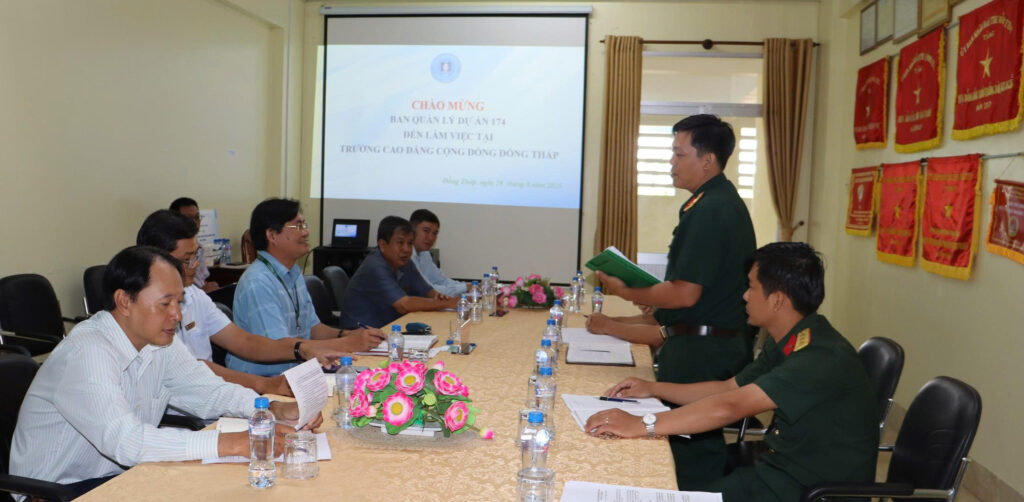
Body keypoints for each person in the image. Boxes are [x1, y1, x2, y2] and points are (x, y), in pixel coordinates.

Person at [8, 246, 320, 497]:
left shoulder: (159, 342)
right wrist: (231, 443)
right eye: (165, 303)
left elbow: (208, 391)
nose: (177, 315)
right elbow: (127, 442)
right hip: (59, 491)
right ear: (124, 301)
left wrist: (270, 410)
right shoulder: (87, 352)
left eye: (179, 302)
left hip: (122, 477)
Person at [585, 242, 879, 502]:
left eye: (752, 287)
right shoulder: (795, 338)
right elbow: (728, 388)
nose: (745, 296)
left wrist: (641, 424)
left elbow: (731, 406)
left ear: (777, 299)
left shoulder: (819, 358)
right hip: (776, 474)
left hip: (807, 491)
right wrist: (653, 388)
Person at [585, 114, 756, 488]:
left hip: (704, 349)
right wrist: (652, 299)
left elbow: (684, 292)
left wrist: (624, 290)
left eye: (679, 154)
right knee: (681, 444)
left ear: (707, 160)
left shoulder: (712, 210)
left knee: (690, 447)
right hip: (699, 341)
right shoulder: (710, 202)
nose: (671, 162)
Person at [137, 210, 356, 396]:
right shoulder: (143, 311)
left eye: (196, 256)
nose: (195, 265)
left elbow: (244, 341)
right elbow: (191, 368)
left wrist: (301, 349)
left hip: (215, 396)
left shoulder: (195, 295)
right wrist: (264, 385)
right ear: (156, 260)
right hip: (187, 411)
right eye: (187, 259)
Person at [228, 198, 384, 376]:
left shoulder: (293, 273)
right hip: (264, 382)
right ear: (272, 235)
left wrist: (347, 335)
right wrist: (348, 344)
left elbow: (313, 329)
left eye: (304, 225)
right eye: (298, 226)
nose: (306, 232)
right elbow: (280, 347)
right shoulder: (258, 282)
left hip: (297, 371)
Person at [340, 216, 458, 329]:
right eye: (400, 242)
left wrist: (442, 298)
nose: (406, 249)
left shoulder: (404, 262)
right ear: (382, 245)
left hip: (389, 328)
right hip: (359, 333)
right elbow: (403, 305)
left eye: (410, 243)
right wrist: (448, 303)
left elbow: (427, 292)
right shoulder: (374, 266)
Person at [409, 209, 467, 297]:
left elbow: (441, 280)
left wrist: (471, 287)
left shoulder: (424, 253)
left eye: (435, 233)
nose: (431, 238)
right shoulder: (405, 256)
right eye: (426, 231)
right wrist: (465, 288)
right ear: (411, 230)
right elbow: (428, 290)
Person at [169, 197, 218, 292]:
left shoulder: (199, 247)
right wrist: (203, 291)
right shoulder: (172, 249)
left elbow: (202, 279)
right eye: (188, 219)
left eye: (197, 218)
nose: (194, 222)